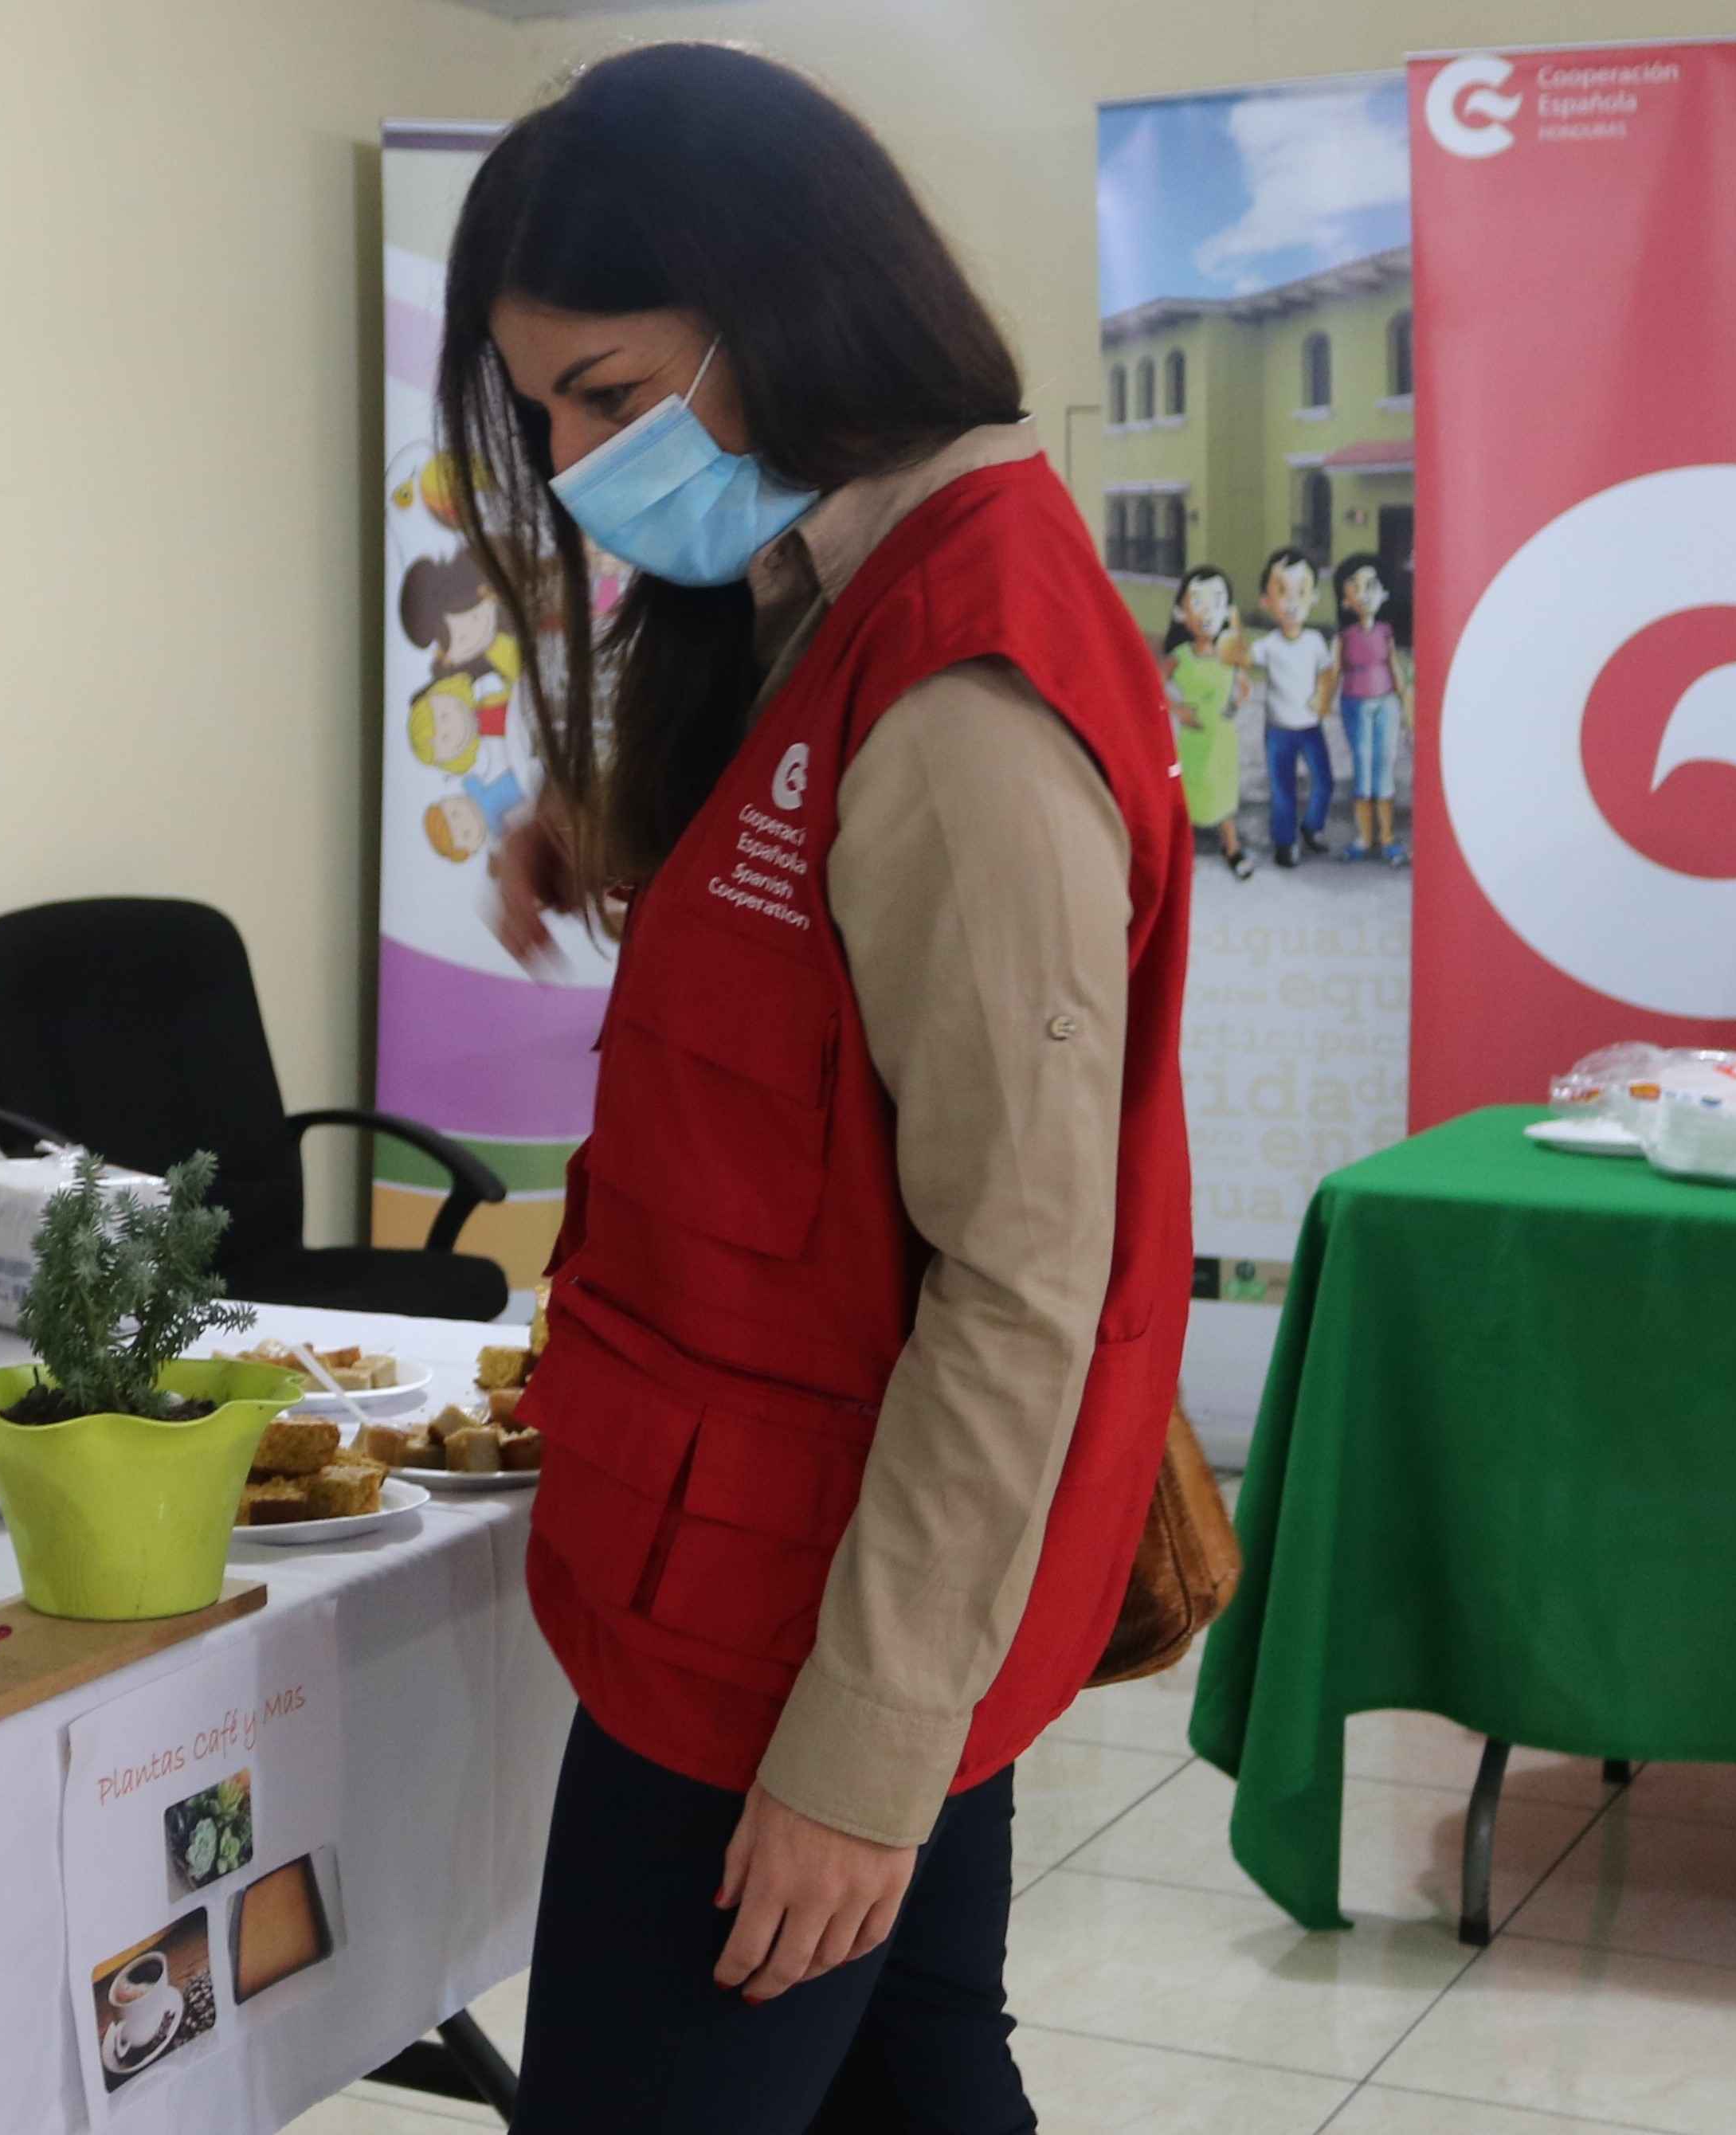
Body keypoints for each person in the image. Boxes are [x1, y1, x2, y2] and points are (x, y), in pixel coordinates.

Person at [440, 45, 1193, 2132]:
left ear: (781, 310)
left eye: (604, 392)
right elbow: (818, 951)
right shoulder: (835, 595)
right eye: (539, 413)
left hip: (798, 1612)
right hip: (795, 1548)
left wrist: (860, 1756)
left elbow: (1018, 1275)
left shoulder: (960, 690)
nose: (577, 461)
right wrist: (605, 828)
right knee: (919, 2076)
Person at [1239, 547, 1334, 866]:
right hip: (1279, 730)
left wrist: (1322, 696)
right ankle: (1285, 843)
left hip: (1310, 727)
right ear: (1267, 601)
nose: (1292, 602)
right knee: (1283, 790)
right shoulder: (1269, 645)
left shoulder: (1315, 642)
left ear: (1314, 598)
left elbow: (1326, 672)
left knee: (1324, 781)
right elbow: (1243, 660)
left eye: (1301, 592)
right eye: (1282, 592)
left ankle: (1312, 827)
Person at [1157, 566, 1252, 878]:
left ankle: (1232, 847)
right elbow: (1153, 689)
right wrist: (1176, 709)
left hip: (1223, 738)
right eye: (1198, 602)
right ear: (1181, 611)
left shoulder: (1229, 654)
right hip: (1193, 741)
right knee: (1188, 794)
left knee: (1223, 794)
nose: (1208, 612)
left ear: (1227, 610)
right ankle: (1184, 853)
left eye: (1217, 601)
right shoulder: (1180, 656)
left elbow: (1243, 684)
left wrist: (1237, 702)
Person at [1331, 551, 1413, 865]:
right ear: (1344, 599)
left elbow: (1395, 669)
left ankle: (1388, 838)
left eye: (1371, 585)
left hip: (1386, 705)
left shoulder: (1386, 633)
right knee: (1363, 768)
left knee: (1385, 768)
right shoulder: (1344, 637)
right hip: (1355, 705)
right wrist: (1320, 702)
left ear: (1384, 593)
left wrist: (1407, 706)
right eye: (1356, 587)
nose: (1364, 594)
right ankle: (1364, 838)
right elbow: (1333, 673)